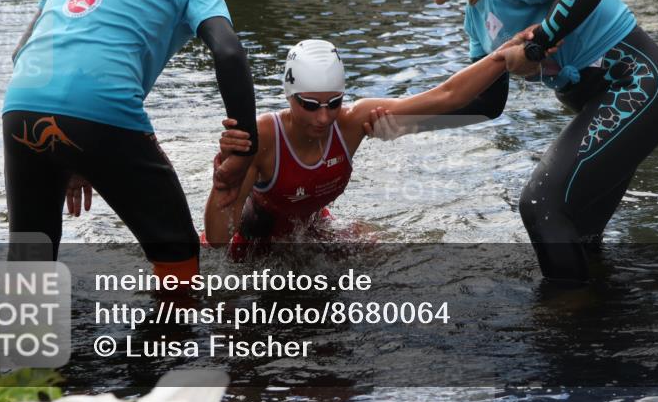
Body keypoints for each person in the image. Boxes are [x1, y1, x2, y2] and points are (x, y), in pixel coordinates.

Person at [380, 0, 658, 283]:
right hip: (604, 101)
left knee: (541, 206)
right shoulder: (475, 18)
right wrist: (405, 123)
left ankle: (566, 321)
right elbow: (488, 103)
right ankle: (600, 320)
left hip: (637, 84)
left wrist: (536, 46)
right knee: (575, 231)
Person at [3, 0, 258, 281]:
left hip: (22, 102)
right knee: (177, 249)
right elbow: (229, 52)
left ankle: (20, 340)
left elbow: (22, 49)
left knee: (31, 253)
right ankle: (171, 336)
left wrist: (69, 156)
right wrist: (246, 145)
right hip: (102, 110)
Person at [203, 37, 532, 250]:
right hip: (254, 245)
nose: (323, 117)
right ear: (289, 96)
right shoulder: (264, 138)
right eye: (309, 104)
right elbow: (219, 238)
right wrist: (221, 187)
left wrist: (502, 57)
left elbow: (446, 96)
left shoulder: (351, 122)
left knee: (387, 251)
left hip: (313, 230)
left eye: (333, 103)